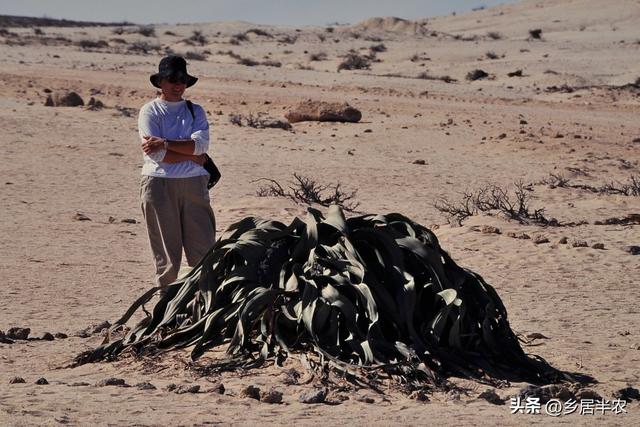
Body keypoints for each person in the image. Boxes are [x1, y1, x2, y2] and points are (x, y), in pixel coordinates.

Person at [137, 55, 216, 295]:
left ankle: (202, 305)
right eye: (172, 79)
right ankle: (167, 307)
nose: (178, 84)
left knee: (203, 251)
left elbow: (201, 147)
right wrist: (191, 154)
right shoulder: (150, 111)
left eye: (182, 79)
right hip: (159, 185)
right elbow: (158, 156)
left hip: (194, 185)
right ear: (160, 82)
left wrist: (167, 143)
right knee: (167, 257)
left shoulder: (195, 111)